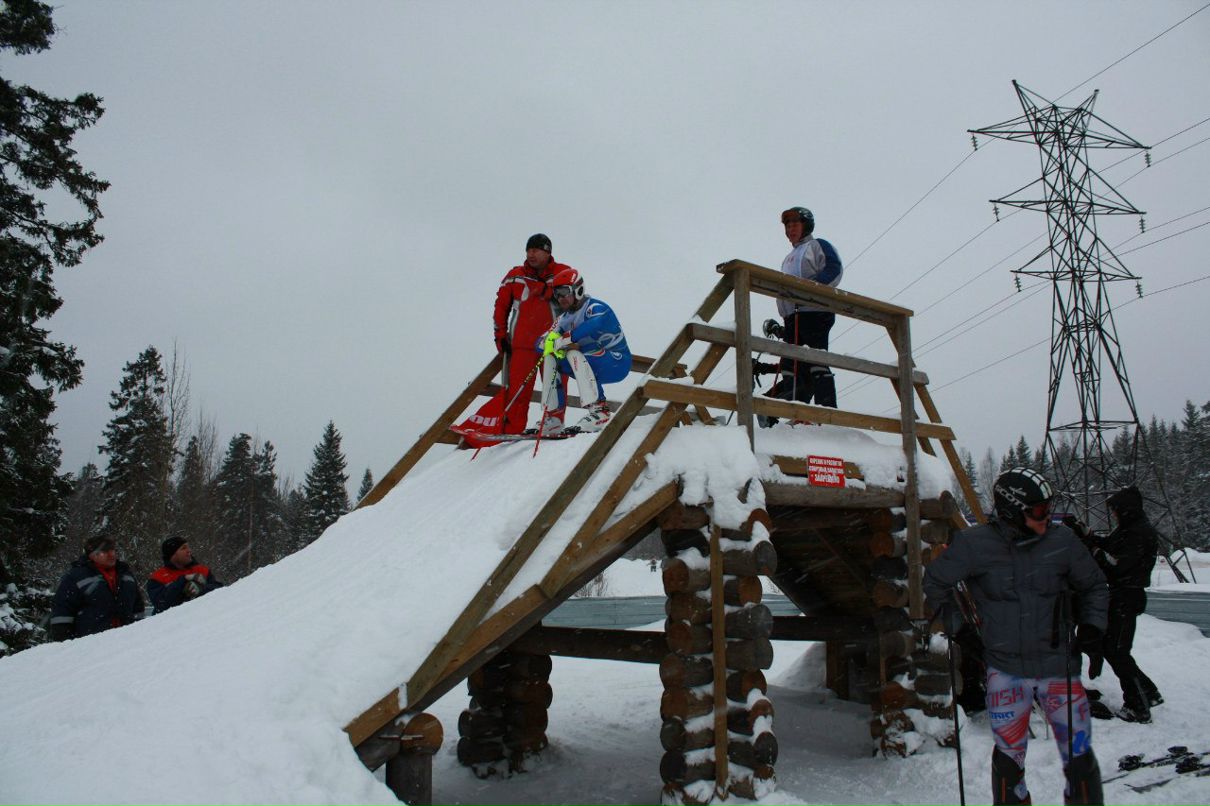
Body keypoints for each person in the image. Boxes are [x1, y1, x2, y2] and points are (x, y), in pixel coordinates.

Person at [924, 467, 1109, 806]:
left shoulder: (1062, 541)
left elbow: (1095, 586)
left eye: (1048, 508)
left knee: (1079, 755)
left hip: (1059, 668)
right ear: (1012, 510)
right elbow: (935, 583)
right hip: (1005, 671)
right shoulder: (975, 544)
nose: (1046, 517)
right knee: (1009, 757)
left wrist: (1094, 627)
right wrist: (959, 629)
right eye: (1038, 511)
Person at [1067, 486, 1162, 723]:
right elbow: (1108, 545)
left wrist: (1093, 549)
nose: (1114, 515)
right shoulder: (1128, 529)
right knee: (1115, 649)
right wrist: (1085, 533)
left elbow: (1116, 564)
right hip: (1121, 596)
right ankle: (1148, 692)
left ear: (1126, 510)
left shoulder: (1138, 533)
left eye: (1116, 511)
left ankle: (1138, 706)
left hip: (1127, 596)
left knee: (1117, 651)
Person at [458, 233, 568, 436]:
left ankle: (554, 424)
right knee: (517, 391)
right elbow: (501, 307)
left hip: (553, 344)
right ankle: (512, 431)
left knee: (555, 386)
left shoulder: (563, 273)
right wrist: (500, 335)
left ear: (547, 252)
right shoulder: (514, 275)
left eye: (536, 250)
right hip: (522, 345)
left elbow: (574, 304)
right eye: (528, 250)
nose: (531, 254)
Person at [759, 206, 843, 420]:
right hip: (791, 318)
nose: (790, 229)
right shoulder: (788, 257)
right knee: (790, 366)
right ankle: (795, 414)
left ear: (806, 225)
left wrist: (811, 290)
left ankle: (827, 413)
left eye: (795, 223)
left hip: (815, 313)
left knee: (816, 361)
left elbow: (834, 269)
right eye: (787, 225)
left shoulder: (817, 245)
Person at [533, 268, 631, 434]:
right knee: (551, 358)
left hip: (617, 361)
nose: (561, 298)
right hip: (589, 361)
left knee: (573, 353)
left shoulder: (595, 307)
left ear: (577, 289)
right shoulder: (563, 318)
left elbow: (594, 324)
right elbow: (540, 342)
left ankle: (600, 411)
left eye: (564, 292)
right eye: (557, 294)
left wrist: (564, 339)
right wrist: (548, 343)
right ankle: (554, 418)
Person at [48, 535, 145, 641]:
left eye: (112, 551)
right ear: (92, 555)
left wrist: (139, 631)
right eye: (104, 552)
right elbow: (63, 610)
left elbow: (137, 607)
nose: (111, 555)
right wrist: (65, 642)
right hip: (91, 643)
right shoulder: (76, 577)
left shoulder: (125, 574)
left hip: (125, 640)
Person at [146, 536, 224, 614]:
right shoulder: (157, 577)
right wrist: (183, 581)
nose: (189, 551)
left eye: (188, 547)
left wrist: (200, 590)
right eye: (183, 548)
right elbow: (161, 604)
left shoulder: (202, 570)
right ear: (173, 554)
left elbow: (220, 590)